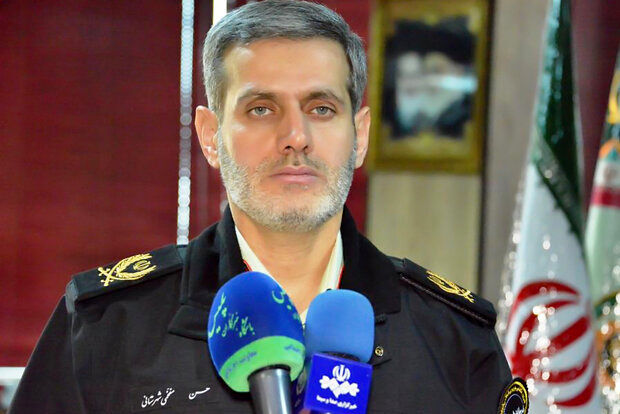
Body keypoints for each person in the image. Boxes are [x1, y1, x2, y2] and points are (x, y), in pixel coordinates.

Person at [9, 1, 526, 413]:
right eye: (261, 109)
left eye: (321, 108)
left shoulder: (456, 342)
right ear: (210, 137)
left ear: (360, 135)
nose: (295, 136)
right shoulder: (105, 331)